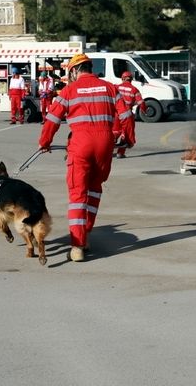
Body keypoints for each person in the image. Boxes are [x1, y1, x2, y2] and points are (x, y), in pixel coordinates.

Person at [38, 53, 131, 262]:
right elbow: (126, 115)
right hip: (105, 144)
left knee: (77, 195)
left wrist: (45, 143)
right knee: (95, 189)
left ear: (73, 70)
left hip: (80, 144)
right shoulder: (109, 87)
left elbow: (52, 119)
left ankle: (78, 246)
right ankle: (86, 232)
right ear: (90, 67)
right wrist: (129, 139)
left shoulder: (69, 90)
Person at [113, 70, 145, 158]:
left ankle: (108, 150)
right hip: (127, 114)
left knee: (115, 132)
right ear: (131, 79)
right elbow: (141, 103)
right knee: (125, 133)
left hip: (115, 113)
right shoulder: (134, 90)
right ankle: (120, 153)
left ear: (122, 79)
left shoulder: (116, 87)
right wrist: (144, 110)